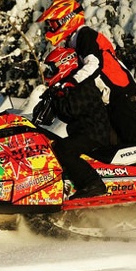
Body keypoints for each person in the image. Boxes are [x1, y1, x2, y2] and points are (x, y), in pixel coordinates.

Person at [36, 0, 136, 171]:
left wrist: (71, 82)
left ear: (66, 19)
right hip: (111, 98)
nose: (51, 28)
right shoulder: (74, 42)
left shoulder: (84, 35)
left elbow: (94, 64)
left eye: (54, 23)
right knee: (123, 144)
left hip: (122, 93)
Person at [33, 47, 113, 200]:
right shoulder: (67, 86)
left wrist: (56, 98)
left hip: (94, 133)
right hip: (84, 132)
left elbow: (72, 109)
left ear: (64, 64)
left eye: (51, 69)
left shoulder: (81, 84)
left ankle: (93, 184)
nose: (48, 74)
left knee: (65, 149)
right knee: (53, 145)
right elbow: (53, 117)